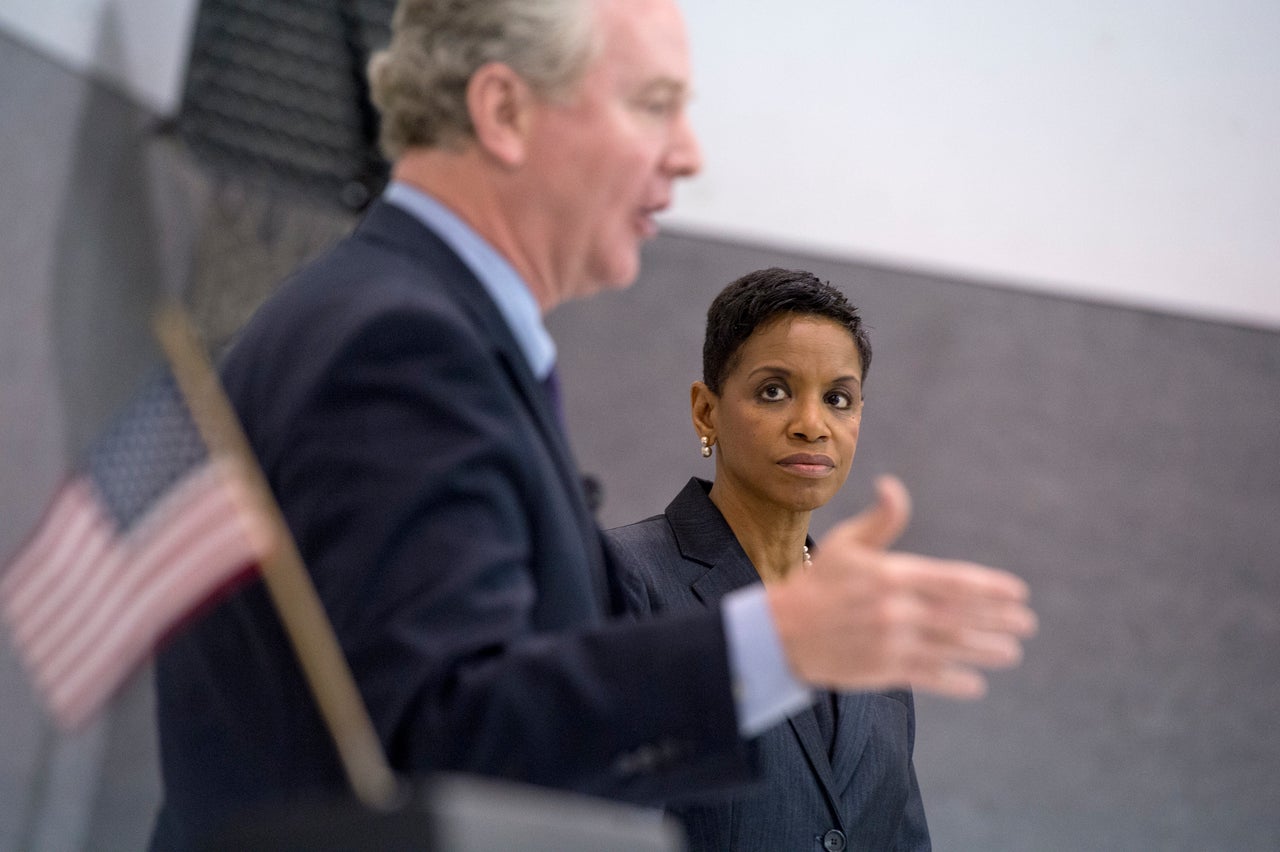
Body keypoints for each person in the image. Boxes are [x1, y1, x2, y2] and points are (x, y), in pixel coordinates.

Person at [149, 0, 1037, 848]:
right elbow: (439, 743)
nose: (688, 154)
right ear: (504, 109)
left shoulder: (405, 314)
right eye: (654, 105)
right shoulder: (402, 338)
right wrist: (782, 641)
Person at [608, 267, 929, 850]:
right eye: (774, 391)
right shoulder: (626, 578)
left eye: (838, 399)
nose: (812, 426)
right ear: (707, 412)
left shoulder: (870, 622)